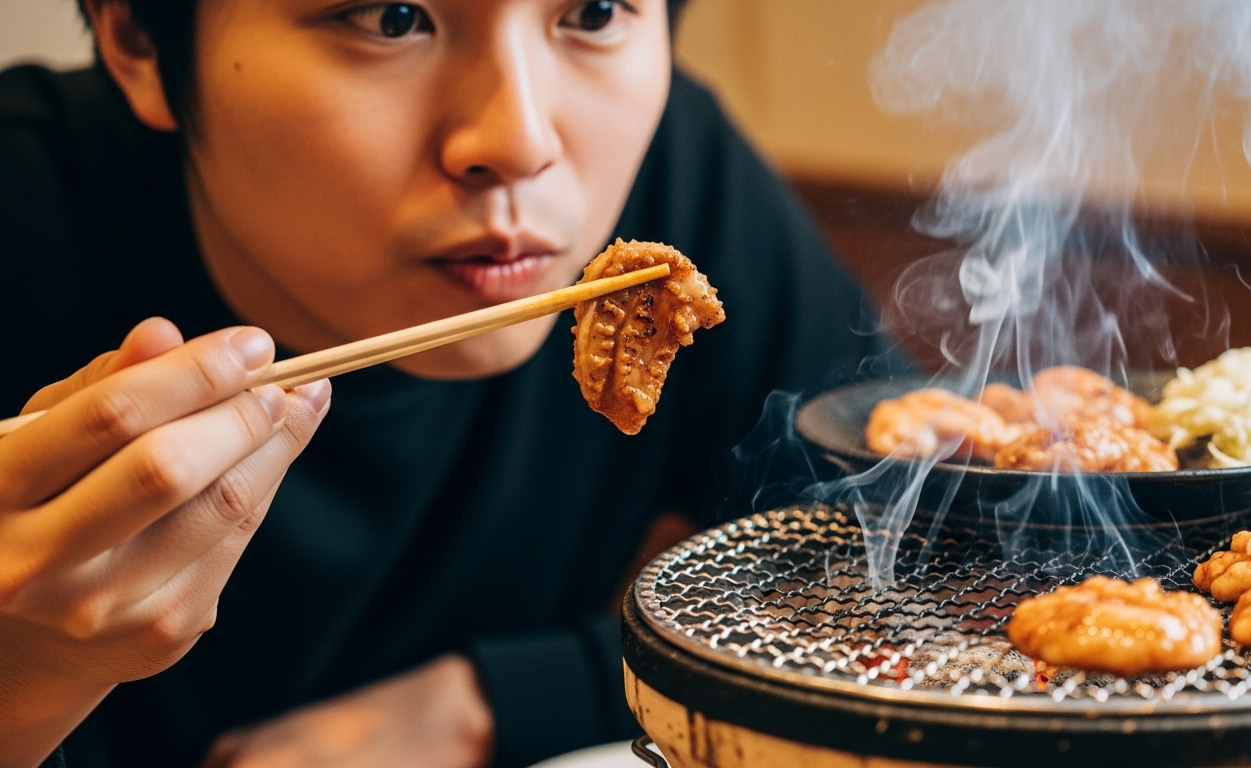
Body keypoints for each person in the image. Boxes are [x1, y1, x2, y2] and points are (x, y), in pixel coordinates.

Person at [0, 1, 887, 766]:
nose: (520, 141)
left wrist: (500, 701)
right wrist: (20, 680)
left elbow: (909, 557)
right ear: (136, 40)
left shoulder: (674, 183)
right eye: (391, 17)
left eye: (594, 11)